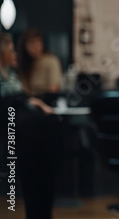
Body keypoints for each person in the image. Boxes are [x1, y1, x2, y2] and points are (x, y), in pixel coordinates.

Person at [0, 32, 62, 219]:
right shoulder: (8, 80)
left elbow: (23, 97)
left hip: (30, 131)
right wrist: (28, 101)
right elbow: (10, 104)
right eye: (11, 51)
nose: (15, 54)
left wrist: (31, 101)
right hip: (18, 133)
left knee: (49, 127)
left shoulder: (11, 75)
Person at [17, 28, 62, 96]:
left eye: (39, 41)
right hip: (29, 100)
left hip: (46, 98)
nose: (36, 46)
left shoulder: (50, 60)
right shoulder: (26, 63)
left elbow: (54, 87)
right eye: (32, 42)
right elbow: (24, 89)